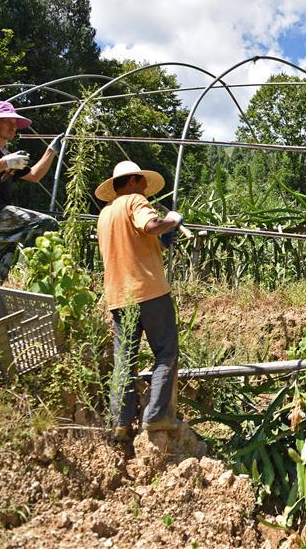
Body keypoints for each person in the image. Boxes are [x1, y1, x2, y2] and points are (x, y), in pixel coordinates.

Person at [95, 161, 184, 440]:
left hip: (119, 297)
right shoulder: (135, 200)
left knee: (125, 359)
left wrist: (163, 239)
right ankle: (157, 416)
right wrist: (172, 220)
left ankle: (120, 423)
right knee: (166, 352)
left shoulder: (105, 214)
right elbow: (151, 225)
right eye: (142, 183)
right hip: (149, 291)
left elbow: (133, 244)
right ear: (132, 181)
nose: (145, 190)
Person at [0, 101, 61, 293]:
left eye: (15, 122)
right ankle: (36, 283)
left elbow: (35, 176)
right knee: (46, 224)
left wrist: (51, 151)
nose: (13, 126)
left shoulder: (6, 154)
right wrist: (3, 164)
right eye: (8, 121)